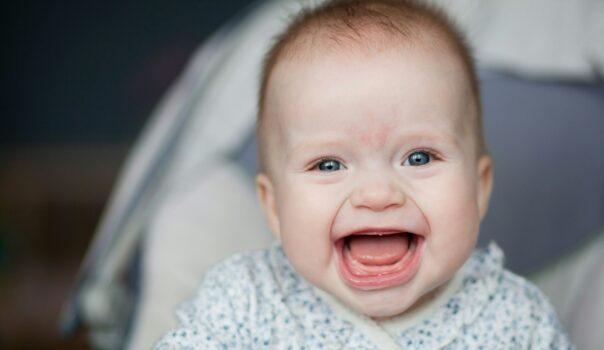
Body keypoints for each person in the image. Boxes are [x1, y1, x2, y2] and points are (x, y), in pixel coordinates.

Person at [156, 0, 571, 348]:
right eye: (329, 164)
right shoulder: (243, 304)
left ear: (479, 189)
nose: (376, 194)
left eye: (419, 157)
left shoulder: (515, 320)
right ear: (274, 205)